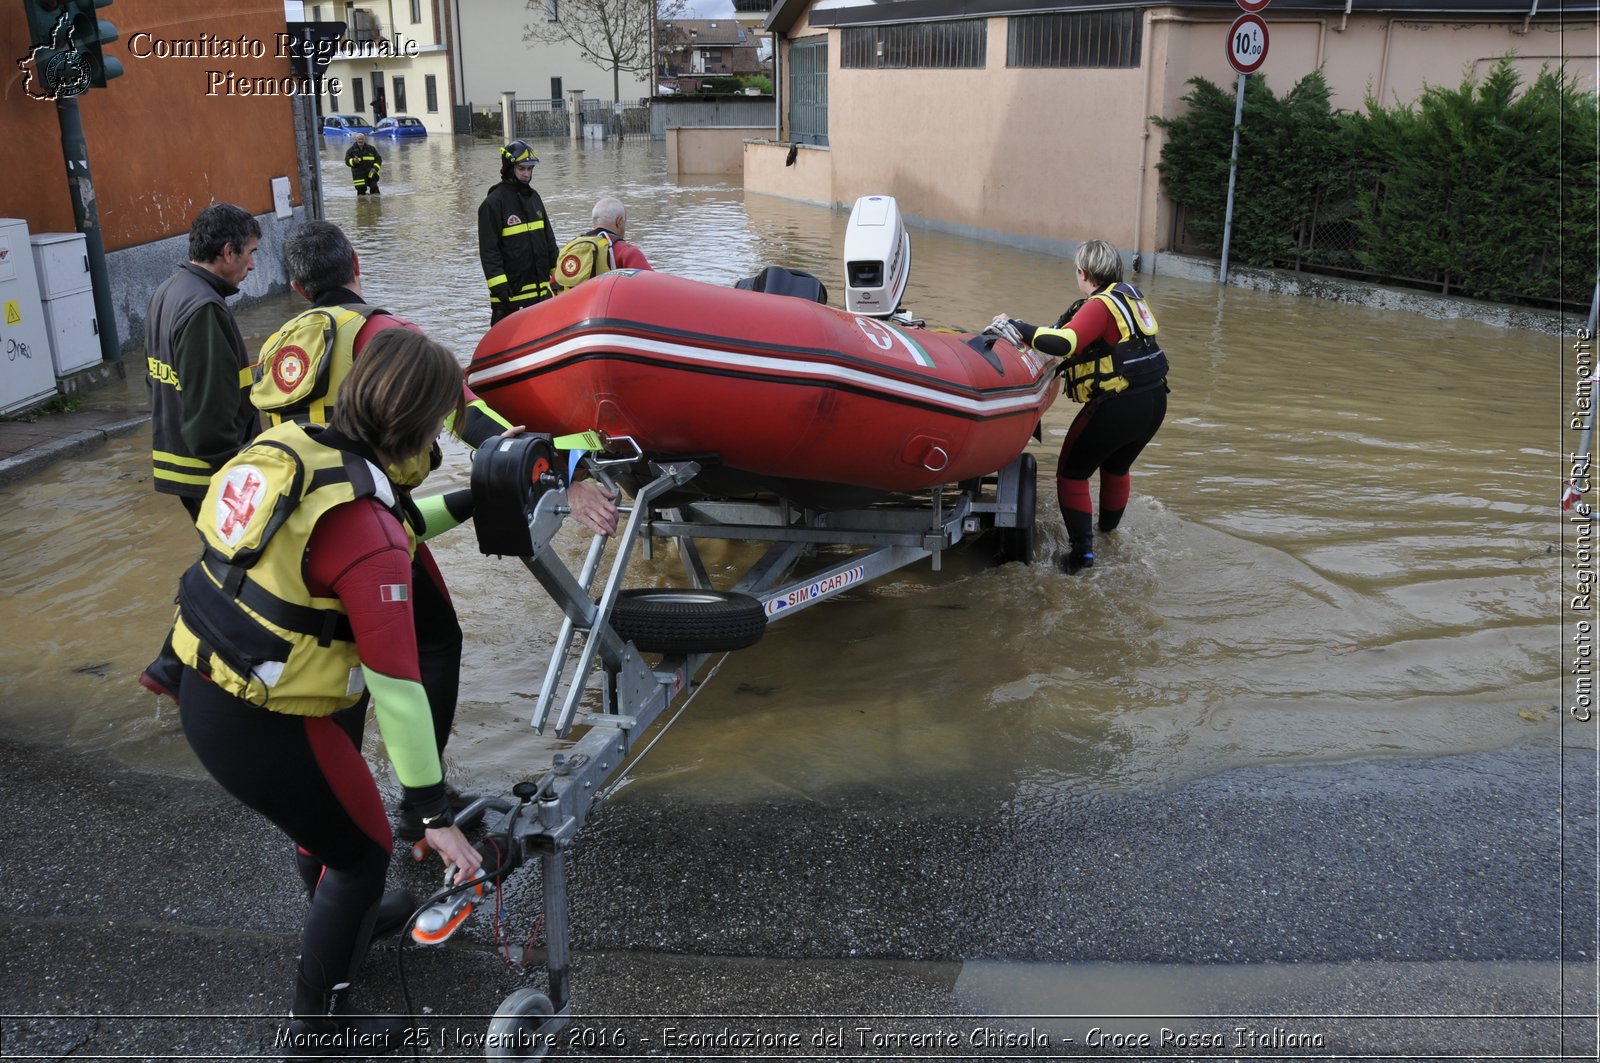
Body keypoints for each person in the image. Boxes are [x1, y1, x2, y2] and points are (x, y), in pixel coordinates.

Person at [170, 331, 486, 1055]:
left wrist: (476, 496)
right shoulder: (365, 525)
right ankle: (317, 1028)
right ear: (418, 426)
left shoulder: (298, 449)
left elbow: (385, 527)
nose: (442, 436)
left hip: (209, 684)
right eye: (440, 422)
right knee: (364, 851)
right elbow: (398, 684)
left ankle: (349, 917)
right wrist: (433, 810)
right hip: (263, 727)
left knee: (329, 821)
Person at [262, 220, 618, 839]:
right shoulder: (392, 337)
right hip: (371, 522)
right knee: (431, 645)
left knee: (330, 659)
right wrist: (564, 472)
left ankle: (337, 800)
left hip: (290, 528)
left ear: (296, 287)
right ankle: (421, 800)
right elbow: (477, 424)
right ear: (357, 266)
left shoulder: (279, 350)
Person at [140, 203, 263, 700]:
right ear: (227, 251)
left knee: (228, 565)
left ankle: (179, 668)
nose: (253, 264)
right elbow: (213, 414)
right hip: (207, 468)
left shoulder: (171, 289)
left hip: (177, 458)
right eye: (250, 253)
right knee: (238, 568)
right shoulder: (205, 309)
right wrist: (244, 475)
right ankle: (176, 668)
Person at [991, 239, 1170, 574]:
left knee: (1072, 473)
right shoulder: (1130, 297)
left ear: (1083, 273)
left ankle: (1082, 557)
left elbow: (1063, 342)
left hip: (1120, 404)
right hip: (1154, 400)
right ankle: (1110, 537)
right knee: (1116, 467)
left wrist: (1016, 326)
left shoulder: (1099, 305)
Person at [477, 140, 558, 323]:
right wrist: (500, 287)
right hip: (510, 299)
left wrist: (558, 274)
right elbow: (489, 251)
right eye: (522, 169)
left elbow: (548, 241)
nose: (526, 174)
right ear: (509, 168)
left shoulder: (534, 197)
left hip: (540, 295)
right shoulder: (493, 204)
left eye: (530, 169)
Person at [588, 196, 652, 270]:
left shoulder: (574, 247)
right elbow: (654, 280)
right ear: (619, 221)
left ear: (594, 221)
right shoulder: (627, 252)